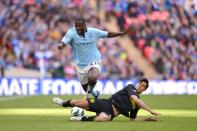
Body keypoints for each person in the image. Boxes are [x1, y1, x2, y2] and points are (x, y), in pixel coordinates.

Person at [58, 17, 136, 98]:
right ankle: (95, 94)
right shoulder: (71, 32)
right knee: (86, 88)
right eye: (76, 27)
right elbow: (63, 41)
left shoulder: (93, 32)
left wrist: (122, 33)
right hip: (80, 64)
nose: (78, 29)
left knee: (92, 77)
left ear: (85, 26)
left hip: (94, 60)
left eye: (79, 27)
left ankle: (88, 96)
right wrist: (61, 45)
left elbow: (108, 34)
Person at [51, 78, 161, 122]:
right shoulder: (130, 87)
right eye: (140, 84)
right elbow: (135, 99)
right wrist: (150, 110)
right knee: (76, 103)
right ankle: (63, 103)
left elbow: (132, 119)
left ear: (145, 89)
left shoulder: (137, 105)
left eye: (143, 86)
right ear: (137, 84)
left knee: (103, 118)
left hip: (111, 114)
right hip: (106, 103)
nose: (140, 87)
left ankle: (81, 118)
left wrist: (145, 120)